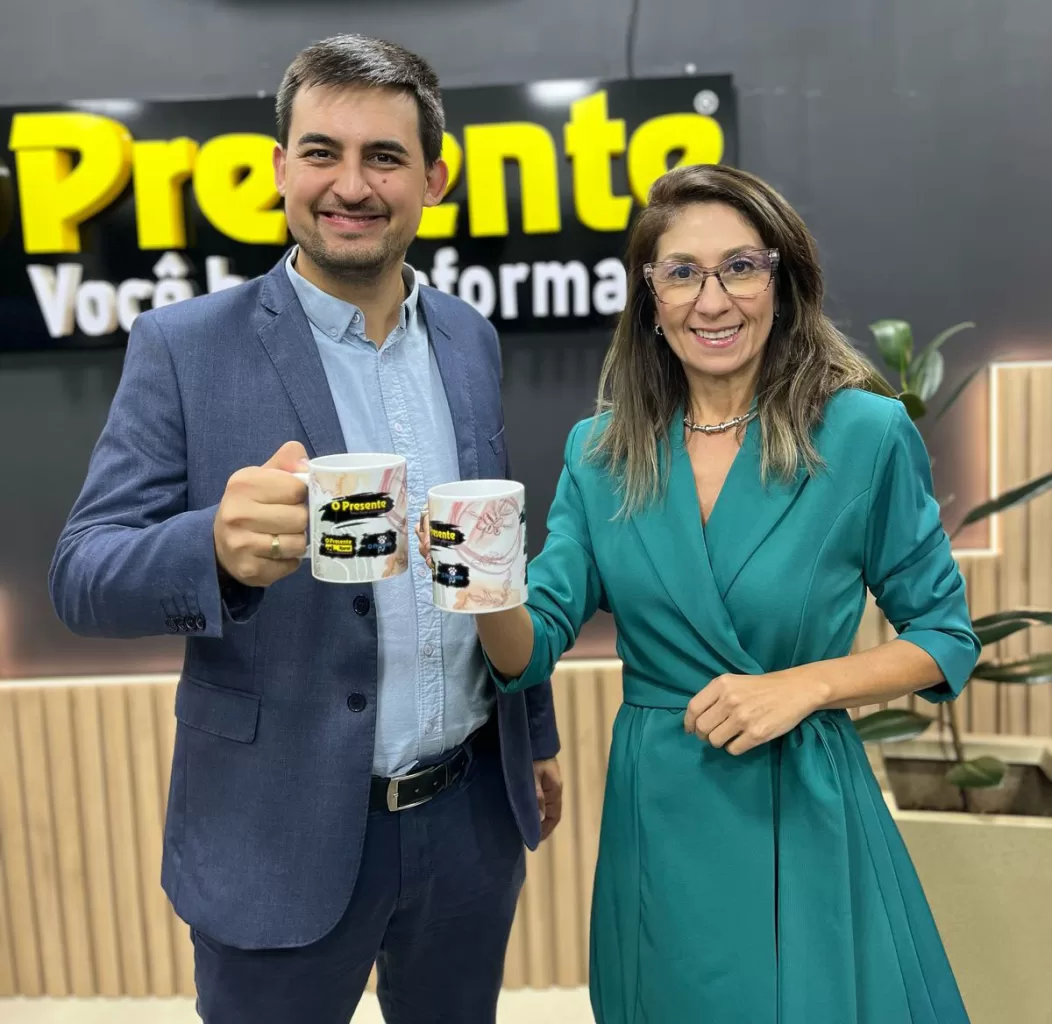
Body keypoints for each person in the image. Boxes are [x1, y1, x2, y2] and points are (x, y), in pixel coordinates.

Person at [49, 33, 562, 1024]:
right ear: (280, 168)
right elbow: (81, 574)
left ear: (434, 179)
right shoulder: (184, 347)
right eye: (322, 152)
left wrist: (531, 734)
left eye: (384, 157)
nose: (350, 186)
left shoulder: (468, 339)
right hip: (272, 834)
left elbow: (491, 554)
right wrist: (212, 548)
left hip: (468, 817)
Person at [421, 164, 980, 1023]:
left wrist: (805, 685)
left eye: (740, 267)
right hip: (662, 814)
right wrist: (477, 580)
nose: (712, 300)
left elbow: (945, 636)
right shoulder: (599, 452)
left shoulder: (865, 433)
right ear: (651, 298)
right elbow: (530, 647)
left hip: (803, 797)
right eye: (682, 272)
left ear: (782, 284)